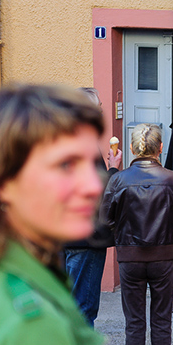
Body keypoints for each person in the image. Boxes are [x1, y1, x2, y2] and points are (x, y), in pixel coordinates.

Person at [0, 84, 120, 345]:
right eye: (66, 165)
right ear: (6, 182)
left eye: (88, 164)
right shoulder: (31, 324)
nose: (92, 185)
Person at [102, 123, 173, 345]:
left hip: (130, 257)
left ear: (130, 149)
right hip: (164, 256)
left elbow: (107, 216)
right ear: (160, 147)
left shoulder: (119, 179)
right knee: (161, 321)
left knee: (134, 323)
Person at [63, 87, 122, 327]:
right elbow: (98, 193)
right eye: (97, 108)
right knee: (83, 309)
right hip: (85, 239)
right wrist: (114, 168)